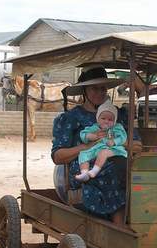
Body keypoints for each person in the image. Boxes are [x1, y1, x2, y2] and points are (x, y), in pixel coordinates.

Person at [51, 67, 140, 225]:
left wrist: (115, 142)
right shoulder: (71, 118)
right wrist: (87, 146)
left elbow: (138, 146)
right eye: (94, 88)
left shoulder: (118, 116)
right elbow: (58, 157)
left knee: (135, 169)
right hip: (84, 167)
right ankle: (118, 225)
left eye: (102, 89)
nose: (99, 93)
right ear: (84, 90)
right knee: (114, 170)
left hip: (118, 160)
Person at [75, 100, 127, 182]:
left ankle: (94, 171)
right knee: (83, 154)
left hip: (113, 149)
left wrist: (114, 141)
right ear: (98, 119)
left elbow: (123, 137)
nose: (106, 121)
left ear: (115, 121)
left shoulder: (117, 128)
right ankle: (84, 173)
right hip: (96, 148)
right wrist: (90, 136)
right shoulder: (95, 127)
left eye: (110, 120)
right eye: (103, 118)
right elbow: (83, 133)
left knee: (103, 153)